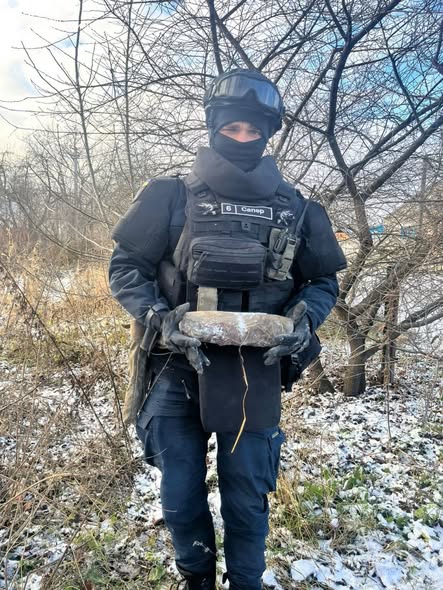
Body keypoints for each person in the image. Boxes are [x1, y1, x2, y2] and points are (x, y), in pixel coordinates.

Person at [109, 69, 346, 590]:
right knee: (179, 495)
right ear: (214, 125)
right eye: (232, 127)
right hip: (174, 366)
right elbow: (126, 267)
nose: (242, 138)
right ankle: (195, 579)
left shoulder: (298, 209)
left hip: (254, 373)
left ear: (268, 133)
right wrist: (158, 316)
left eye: (253, 129)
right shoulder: (169, 196)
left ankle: (245, 583)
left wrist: (305, 317)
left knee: (246, 496)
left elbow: (323, 281)